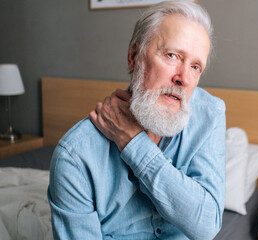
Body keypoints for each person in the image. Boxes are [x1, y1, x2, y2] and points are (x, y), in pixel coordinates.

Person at [48, 1, 226, 239]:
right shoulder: (75, 156)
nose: (184, 78)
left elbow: (207, 226)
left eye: (195, 67)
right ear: (133, 57)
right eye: (172, 55)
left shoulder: (209, 114)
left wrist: (134, 142)